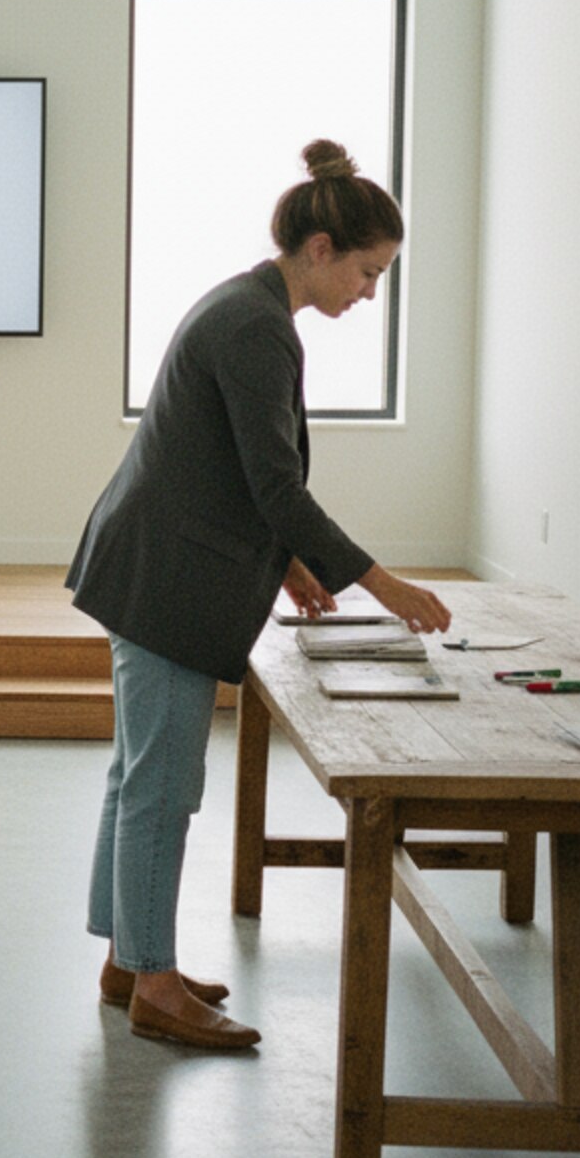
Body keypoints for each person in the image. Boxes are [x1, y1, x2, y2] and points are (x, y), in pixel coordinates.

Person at [67, 139, 452, 1052]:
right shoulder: (254, 325)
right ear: (320, 249)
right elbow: (275, 486)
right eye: (368, 271)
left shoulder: (251, 309)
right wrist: (382, 583)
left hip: (156, 560)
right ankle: (152, 981)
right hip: (168, 577)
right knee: (161, 784)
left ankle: (131, 959)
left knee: (139, 776)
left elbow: (231, 467)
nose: (369, 292)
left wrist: (284, 563)